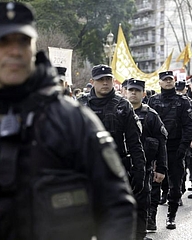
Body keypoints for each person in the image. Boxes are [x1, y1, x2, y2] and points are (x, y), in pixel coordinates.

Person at [0, 2, 136, 240]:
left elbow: (116, 205)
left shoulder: (71, 118)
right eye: (4, 42)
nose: (14, 51)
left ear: (33, 48)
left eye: (23, 41)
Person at [78, 64, 147, 236]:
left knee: (115, 218)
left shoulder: (123, 105)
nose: (105, 83)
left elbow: (134, 141)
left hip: (116, 168)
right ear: (92, 81)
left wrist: (139, 170)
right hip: (86, 170)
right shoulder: (79, 104)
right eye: (101, 80)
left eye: (108, 79)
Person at [148, 71, 192, 230]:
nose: (168, 82)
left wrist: (184, 147)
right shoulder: (153, 101)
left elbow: (189, 126)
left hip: (175, 148)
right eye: (165, 80)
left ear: (174, 81)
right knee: (153, 184)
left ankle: (171, 216)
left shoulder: (183, 102)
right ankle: (151, 218)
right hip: (157, 148)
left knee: (175, 185)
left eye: (170, 80)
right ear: (159, 82)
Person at [126, 79, 168, 240]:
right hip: (123, 165)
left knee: (142, 202)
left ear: (143, 94)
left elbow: (162, 142)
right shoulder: (121, 111)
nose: (133, 93)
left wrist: (161, 168)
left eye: (137, 91)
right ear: (125, 92)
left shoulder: (151, 115)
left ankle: (139, 235)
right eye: (131, 90)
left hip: (144, 166)